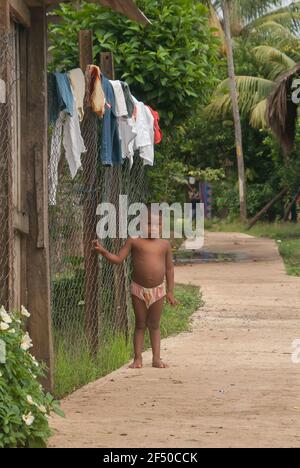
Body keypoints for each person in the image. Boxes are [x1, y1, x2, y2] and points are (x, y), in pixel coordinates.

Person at [92, 208, 178, 369]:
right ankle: (137, 359)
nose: (152, 227)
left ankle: (156, 359)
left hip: (158, 290)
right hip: (138, 289)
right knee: (140, 324)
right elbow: (118, 259)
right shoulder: (134, 241)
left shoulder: (164, 244)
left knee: (154, 324)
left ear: (162, 226)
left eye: (157, 224)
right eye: (148, 223)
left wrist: (170, 292)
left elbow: (169, 269)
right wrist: (103, 251)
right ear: (140, 224)